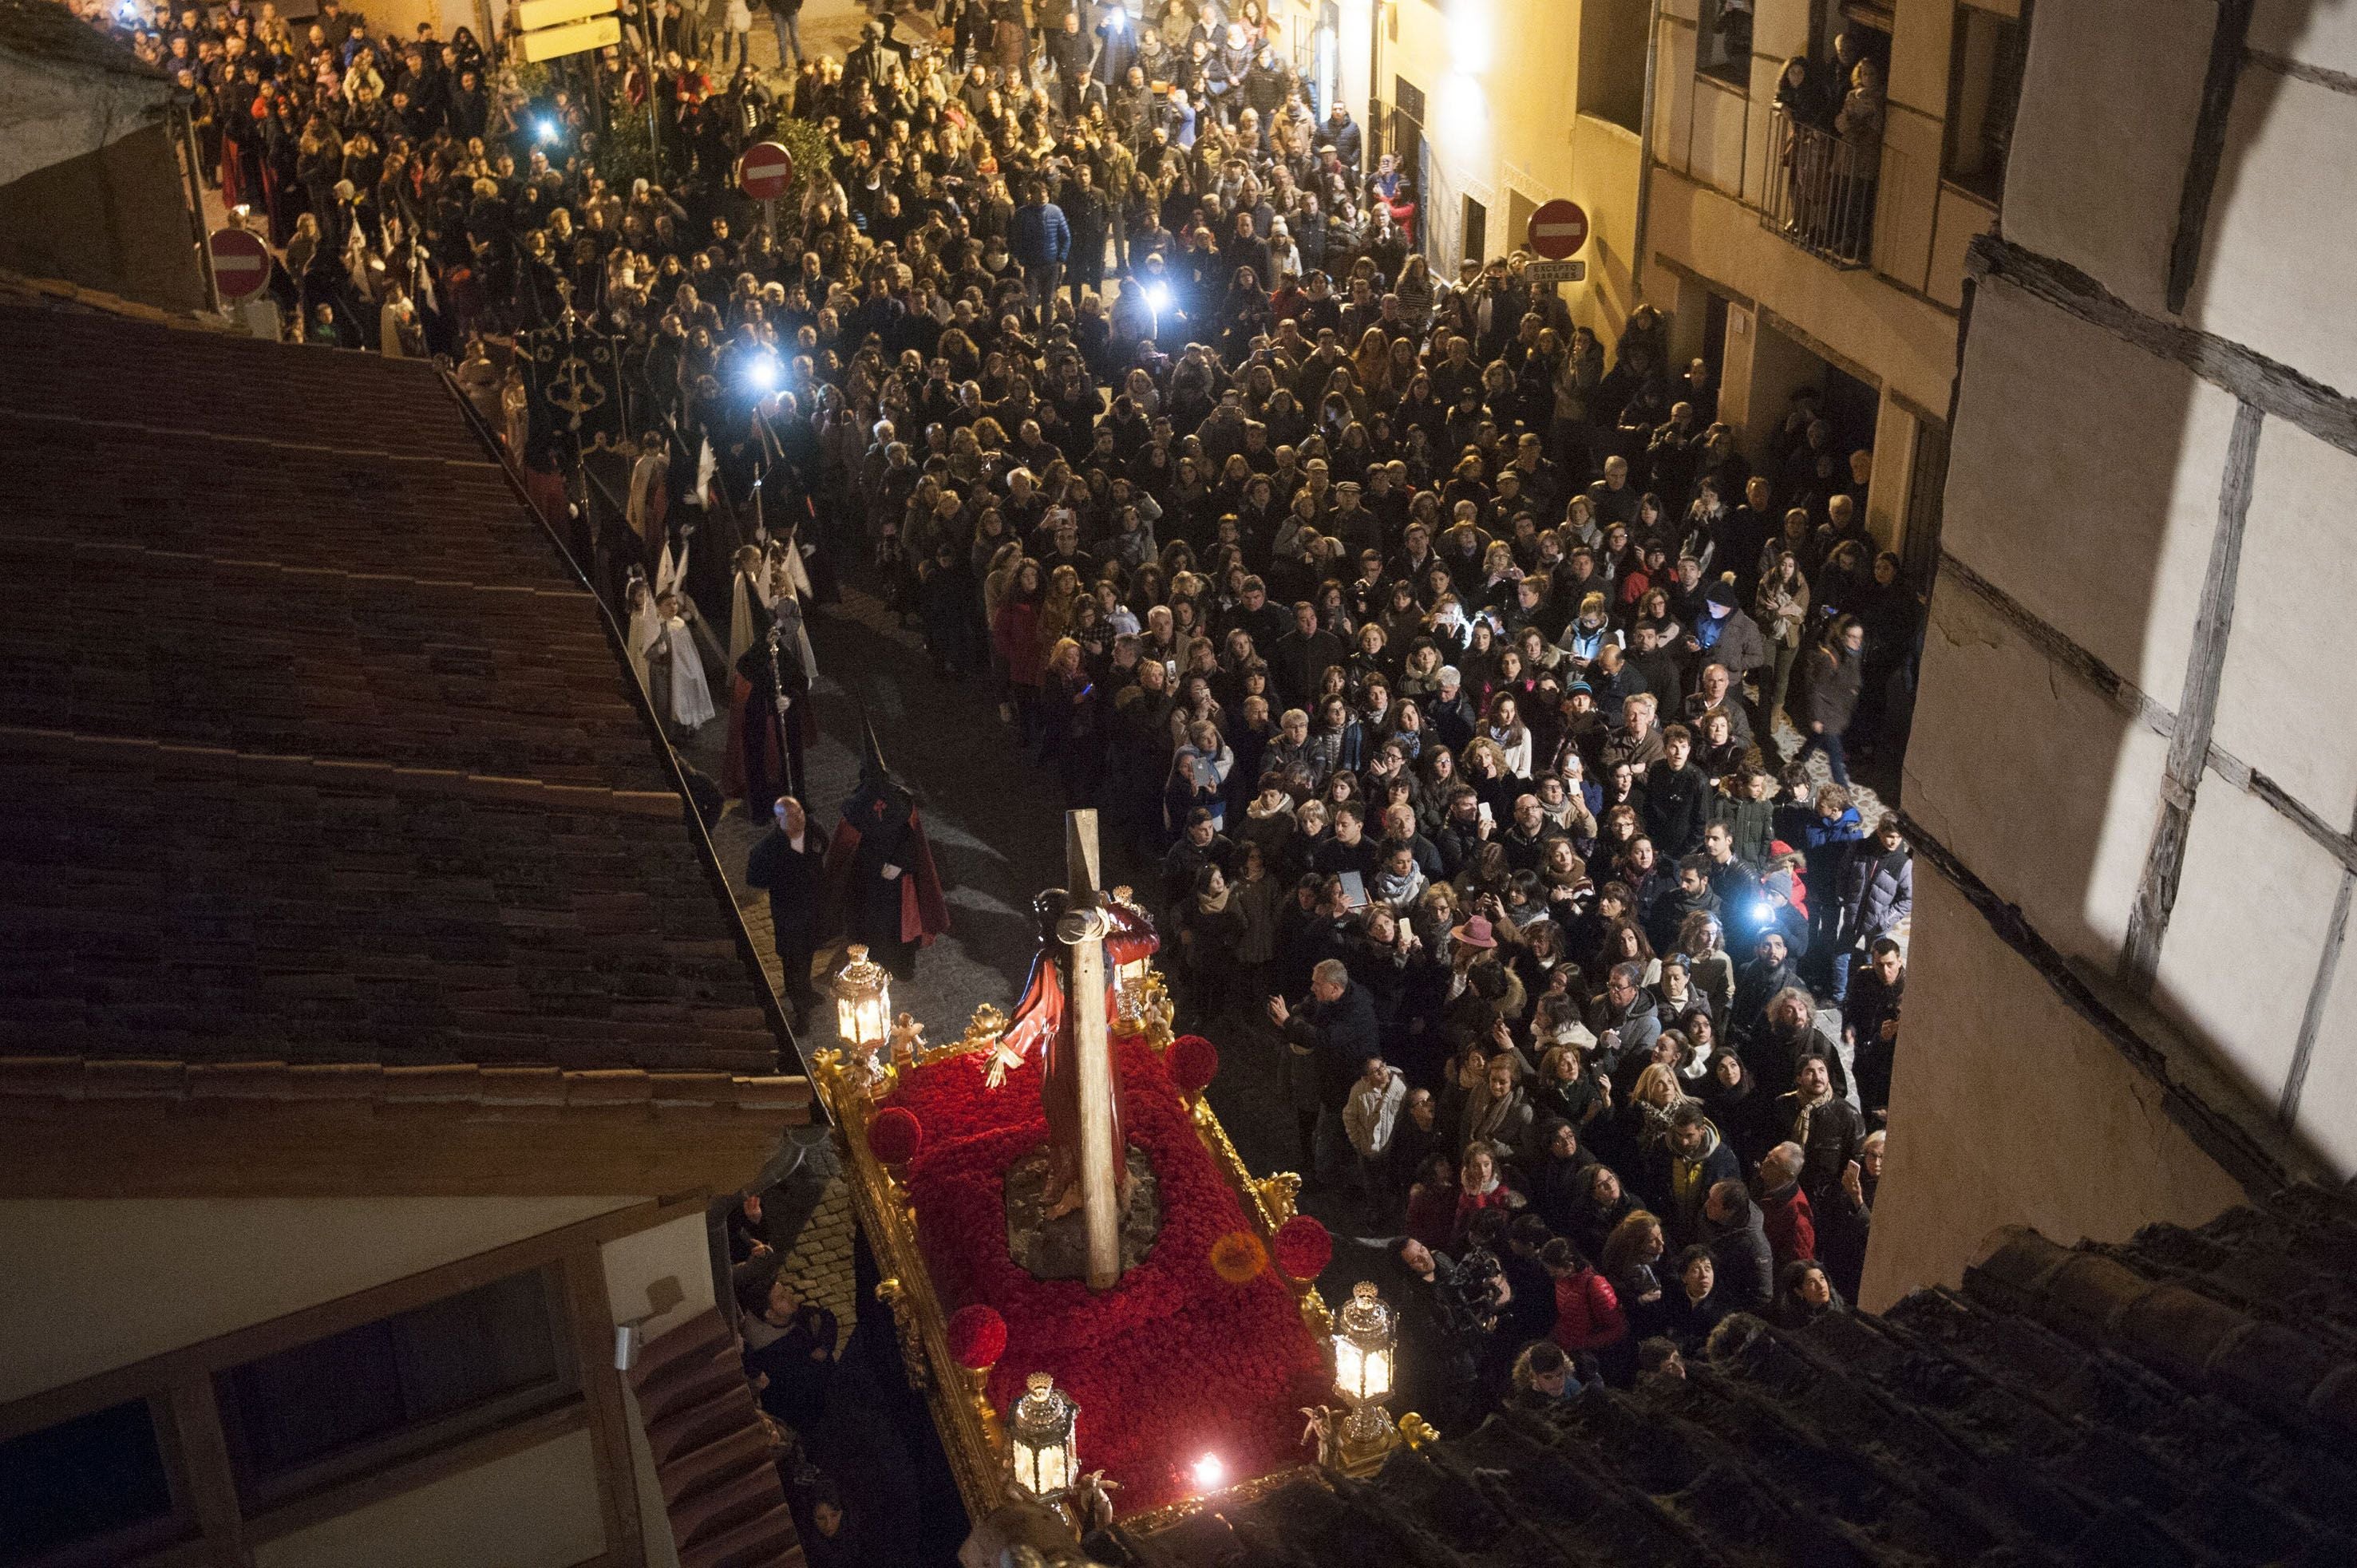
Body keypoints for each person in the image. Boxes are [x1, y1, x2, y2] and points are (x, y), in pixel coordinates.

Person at [1270, 957, 1381, 1184]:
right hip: (1328, 1074)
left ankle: (1325, 1177)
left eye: (1317, 984)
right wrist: (1296, 1013)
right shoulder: (1332, 997)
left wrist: (1290, 1022)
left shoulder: (1357, 1011)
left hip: (1346, 1082)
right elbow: (1309, 1006)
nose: (1312, 988)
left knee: (1332, 1130)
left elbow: (1325, 1039)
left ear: (1334, 988)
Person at [746, 795, 827, 1024]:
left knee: (809, 949)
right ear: (777, 821)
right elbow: (755, 879)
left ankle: (807, 990)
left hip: (812, 905)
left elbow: (822, 845)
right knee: (792, 959)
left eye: (799, 813)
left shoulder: (812, 829)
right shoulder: (767, 849)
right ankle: (799, 1006)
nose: (798, 820)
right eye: (790, 816)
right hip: (788, 912)